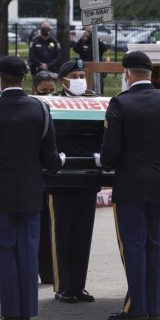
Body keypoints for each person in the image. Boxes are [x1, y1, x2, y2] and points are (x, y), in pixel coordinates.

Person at [0, 55, 63, 320]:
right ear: (25, 79)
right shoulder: (40, 110)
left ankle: (11, 313)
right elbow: (49, 155)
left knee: (5, 251)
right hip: (30, 189)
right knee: (28, 250)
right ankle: (27, 313)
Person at [99, 51, 160, 320]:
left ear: (127, 74)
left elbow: (110, 152)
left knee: (133, 245)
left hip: (130, 185)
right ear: (150, 73)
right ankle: (155, 307)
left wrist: (106, 161)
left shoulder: (120, 103)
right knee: (156, 244)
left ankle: (137, 308)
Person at [48, 59, 98, 304]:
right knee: (62, 234)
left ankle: (79, 285)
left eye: (82, 75)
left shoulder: (93, 101)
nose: (80, 80)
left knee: (82, 235)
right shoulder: (52, 102)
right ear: (63, 80)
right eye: (75, 76)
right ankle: (63, 286)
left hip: (88, 177)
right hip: (61, 179)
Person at [31, 70, 58, 284]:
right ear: (34, 90)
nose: (48, 94)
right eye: (43, 91)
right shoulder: (33, 108)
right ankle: (46, 271)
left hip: (55, 173)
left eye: (52, 91)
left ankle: (53, 271)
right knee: (41, 228)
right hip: (38, 173)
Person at [73, 25, 109, 94]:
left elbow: (105, 48)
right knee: (85, 87)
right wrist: (82, 39)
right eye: (88, 31)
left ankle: (100, 95)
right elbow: (75, 49)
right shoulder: (83, 42)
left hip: (97, 69)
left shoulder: (98, 42)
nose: (90, 33)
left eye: (91, 31)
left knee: (99, 86)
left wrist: (96, 38)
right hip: (85, 69)